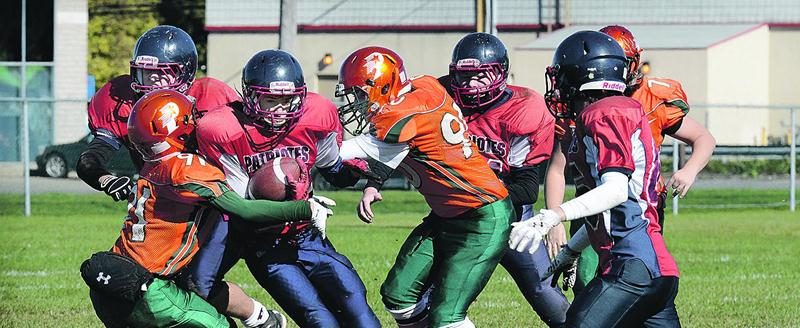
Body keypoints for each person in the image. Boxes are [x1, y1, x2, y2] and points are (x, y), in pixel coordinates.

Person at [76, 25, 278, 328]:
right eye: (145, 73)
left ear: (185, 74)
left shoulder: (211, 96)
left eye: (162, 73)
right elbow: (92, 157)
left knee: (198, 280)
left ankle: (259, 318)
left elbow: (246, 142)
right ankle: (256, 320)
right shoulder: (123, 100)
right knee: (171, 280)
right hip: (168, 206)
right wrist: (104, 178)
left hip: (215, 199)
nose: (152, 82)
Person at [80, 89, 334, 328]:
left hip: (111, 285)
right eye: (189, 119)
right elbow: (246, 210)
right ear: (178, 127)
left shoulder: (151, 164)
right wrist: (305, 209)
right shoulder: (185, 169)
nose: (195, 123)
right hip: (148, 290)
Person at [195, 49, 380, 328]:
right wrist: (303, 206)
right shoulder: (223, 128)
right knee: (318, 318)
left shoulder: (317, 114)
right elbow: (247, 203)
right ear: (251, 97)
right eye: (271, 100)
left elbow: (332, 167)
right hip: (264, 241)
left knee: (356, 304)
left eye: (288, 100)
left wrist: (361, 173)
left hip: (307, 234)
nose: (280, 110)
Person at [510, 30, 681, 327]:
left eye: (563, 76)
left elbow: (614, 191)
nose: (558, 85)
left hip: (633, 266)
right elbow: (614, 209)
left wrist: (553, 216)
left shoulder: (604, 113)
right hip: (657, 271)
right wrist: (572, 250)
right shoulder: (611, 111)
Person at [336, 46, 513, 328]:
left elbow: (350, 151)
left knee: (447, 316)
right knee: (398, 295)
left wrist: (308, 151)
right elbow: (394, 150)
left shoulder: (401, 115)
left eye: (359, 93)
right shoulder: (424, 87)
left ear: (381, 85)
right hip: (446, 216)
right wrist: (373, 184)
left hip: (483, 216)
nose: (356, 102)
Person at [438, 32, 568, 327]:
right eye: (464, 76)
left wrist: (475, 197)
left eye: (480, 76)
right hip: (459, 221)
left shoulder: (524, 109)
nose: (470, 85)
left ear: (500, 74)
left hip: (514, 222)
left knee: (548, 296)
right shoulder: (442, 100)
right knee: (432, 301)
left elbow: (525, 189)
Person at [600, 24, 716, 228]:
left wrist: (689, 170)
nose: (616, 71)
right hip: (597, 202)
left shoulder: (652, 98)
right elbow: (559, 164)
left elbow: (704, 138)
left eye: (621, 64)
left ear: (634, 62)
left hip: (644, 203)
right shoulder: (586, 100)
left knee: (642, 259)